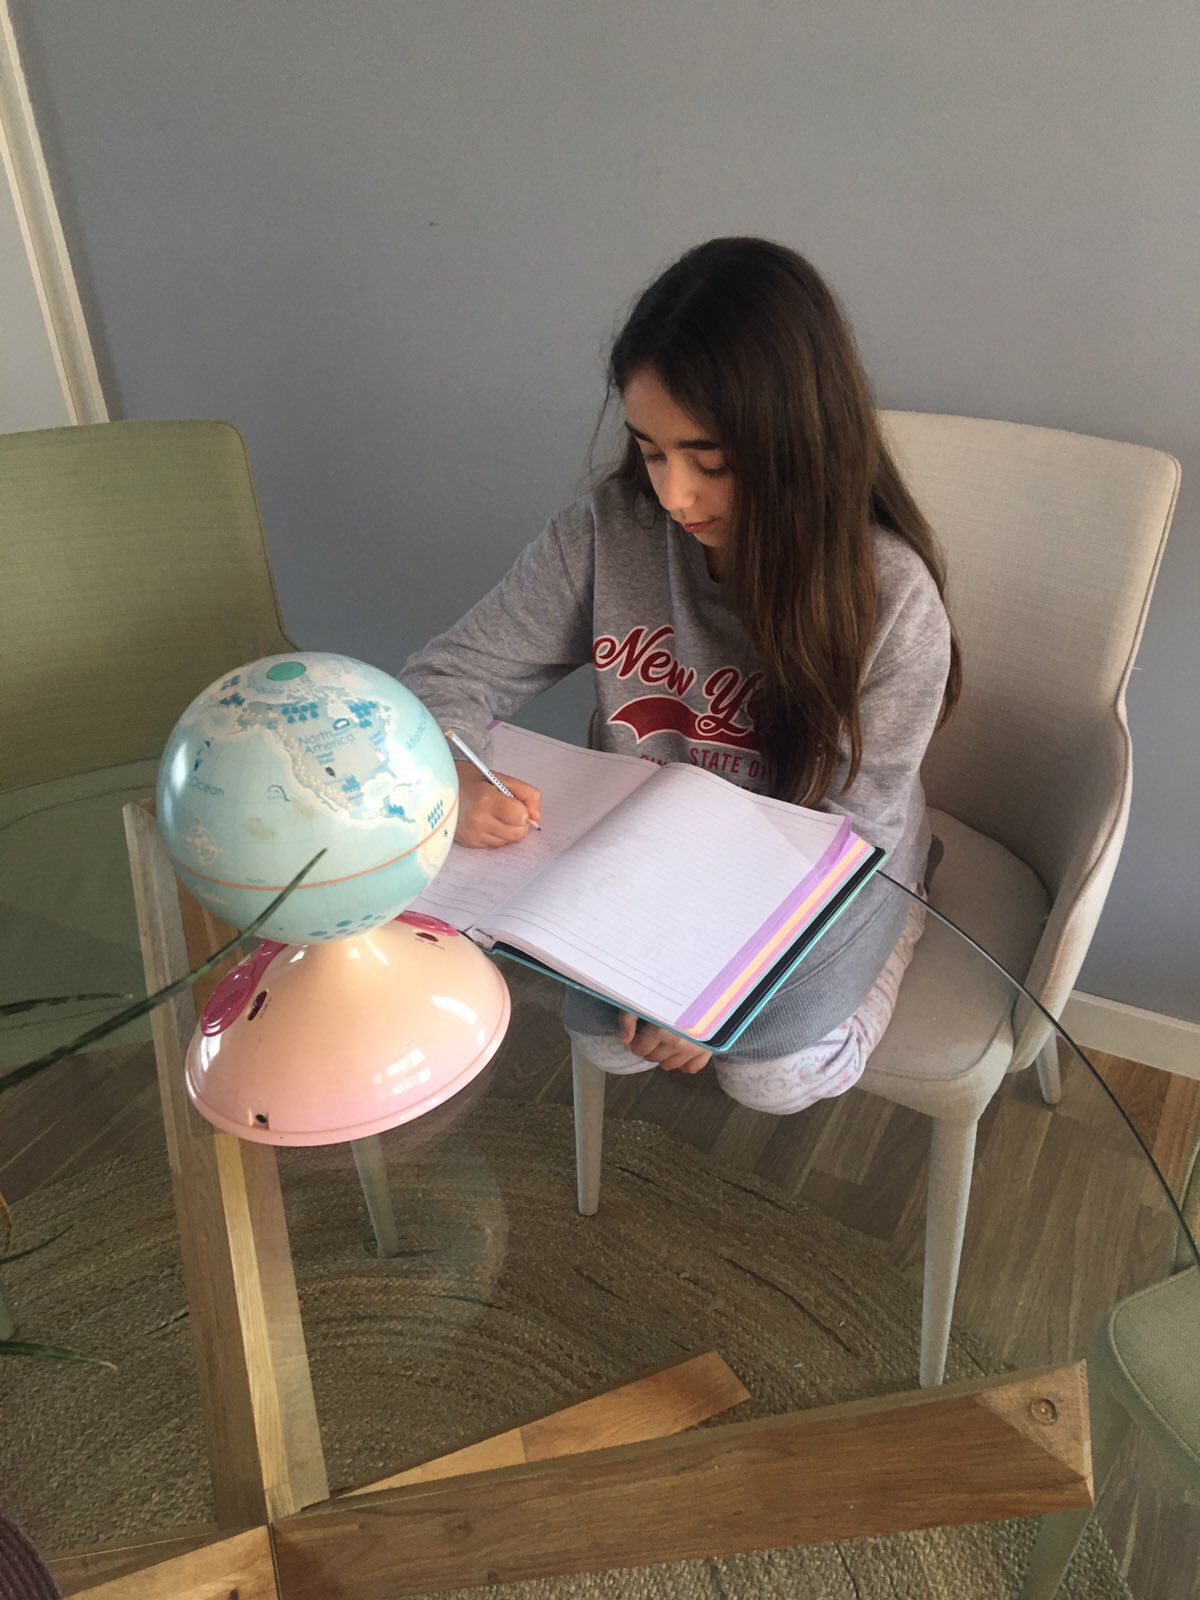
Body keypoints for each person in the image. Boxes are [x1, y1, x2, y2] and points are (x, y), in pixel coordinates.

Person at [400, 236, 960, 1113]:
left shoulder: (891, 598)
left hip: (816, 858)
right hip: (650, 849)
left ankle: (911, 908)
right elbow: (449, 674)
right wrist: (455, 772)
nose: (673, 495)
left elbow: (852, 831)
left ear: (799, 445)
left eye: (712, 462)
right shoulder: (605, 533)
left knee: (771, 1077)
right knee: (608, 1042)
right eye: (651, 450)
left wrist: (719, 990)